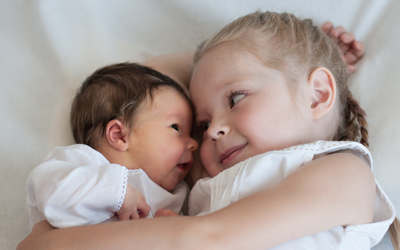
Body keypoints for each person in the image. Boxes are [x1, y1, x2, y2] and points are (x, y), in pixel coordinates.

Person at [18, 12, 399, 250]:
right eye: (201, 123)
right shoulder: (209, 174)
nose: (212, 130)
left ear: (318, 94)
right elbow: (154, 74)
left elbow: (206, 240)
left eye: (235, 98)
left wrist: (53, 244)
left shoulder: (344, 173)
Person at [25, 63, 198, 228]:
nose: (194, 143)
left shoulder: (175, 197)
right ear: (119, 135)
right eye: (176, 127)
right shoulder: (87, 164)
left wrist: (177, 229)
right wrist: (115, 191)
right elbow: (49, 190)